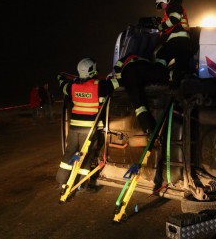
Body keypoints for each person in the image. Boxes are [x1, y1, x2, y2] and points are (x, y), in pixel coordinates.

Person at [56, 58, 119, 191]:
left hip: (74, 128)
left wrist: (60, 77)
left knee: (70, 152)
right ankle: (81, 184)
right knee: (87, 155)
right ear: (92, 70)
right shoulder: (99, 85)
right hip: (89, 129)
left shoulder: (72, 86)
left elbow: (63, 85)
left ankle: (61, 180)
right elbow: (116, 83)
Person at [113, 54, 169, 134]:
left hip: (130, 71)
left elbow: (117, 67)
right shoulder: (140, 56)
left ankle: (148, 130)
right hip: (144, 67)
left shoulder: (125, 63)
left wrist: (120, 80)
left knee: (139, 105)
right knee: (159, 76)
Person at [155, 0, 193, 83]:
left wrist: (161, 26)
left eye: (162, 4)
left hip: (176, 39)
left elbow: (174, 19)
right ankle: (177, 84)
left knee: (160, 55)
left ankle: (159, 76)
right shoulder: (176, 6)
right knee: (180, 66)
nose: (163, 7)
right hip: (184, 41)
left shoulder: (173, 5)